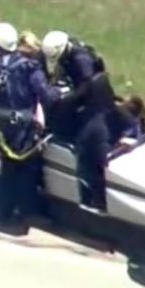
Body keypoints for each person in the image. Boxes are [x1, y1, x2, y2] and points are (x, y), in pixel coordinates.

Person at [0, 31, 63, 225]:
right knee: (21, 169)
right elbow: (46, 96)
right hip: (20, 125)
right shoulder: (30, 68)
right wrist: (59, 91)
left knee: (9, 166)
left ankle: (6, 210)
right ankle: (15, 212)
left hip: (0, 122)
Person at [41, 30, 111, 211]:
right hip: (89, 105)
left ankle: (93, 197)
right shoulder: (70, 53)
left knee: (85, 147)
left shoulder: (81, 60)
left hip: (94, 108)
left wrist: (68, 100)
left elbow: (88, 86)